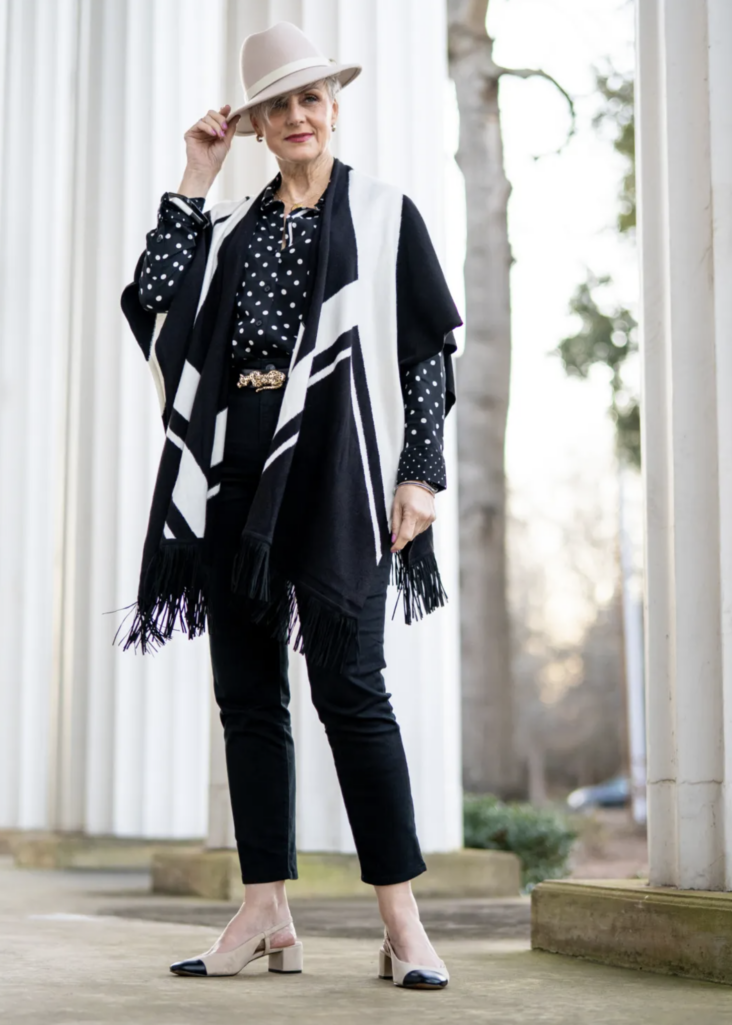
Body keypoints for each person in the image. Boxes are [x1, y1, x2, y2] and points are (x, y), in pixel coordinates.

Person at [119, 21, 462, 989]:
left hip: (341, 466)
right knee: (247, 696)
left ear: (333, 108)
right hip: (237, 466)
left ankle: (400, 917)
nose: (299, 115)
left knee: (352, 687)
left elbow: (425, 353)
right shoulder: (230, 227)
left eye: (312, 98)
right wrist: (193, 176)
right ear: (258, 124)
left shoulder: (387, 214)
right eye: (279, 104)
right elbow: (153, 302)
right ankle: (265, 904)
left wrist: (420, 472)